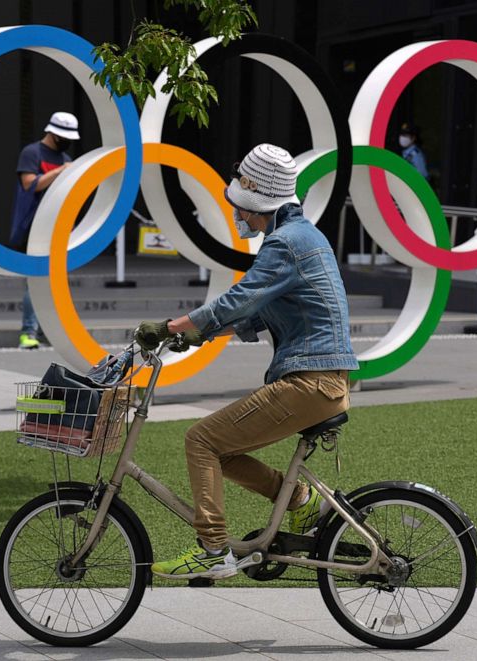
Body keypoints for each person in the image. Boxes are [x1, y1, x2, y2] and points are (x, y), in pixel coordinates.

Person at [134, 144, 358, 579]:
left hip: (310, 382)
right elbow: (254, 313)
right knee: (224, 451)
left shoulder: (285, 242)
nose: (241, 216)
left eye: (244, 207)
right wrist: (196, 334)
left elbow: (239, 298)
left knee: (200, 441)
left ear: (262, 203)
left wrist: (172, 326)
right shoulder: (304, 236)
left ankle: (214, 549)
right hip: (321, 381)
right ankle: (299, 500)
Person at [9, 111, 79, 349]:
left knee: (58, 282)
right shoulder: (32, 153)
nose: (66, 140)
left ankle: (52, 330)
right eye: (63, 135)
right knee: (36, 281)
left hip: (58, 227)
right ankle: (29, 332)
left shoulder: (65, 156)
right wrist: (60, 172)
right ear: (52, 132)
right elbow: (29, 183)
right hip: (33, 226)